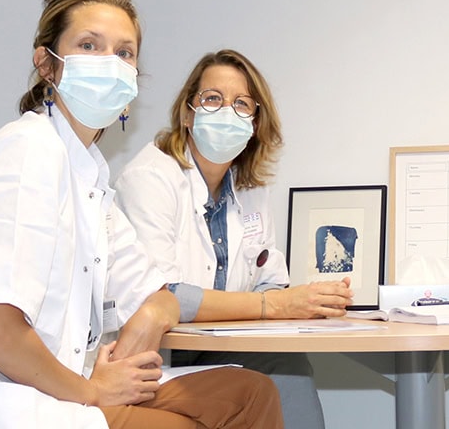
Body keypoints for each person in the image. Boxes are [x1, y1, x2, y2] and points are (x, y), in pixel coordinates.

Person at [0, 0, 284, 429]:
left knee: (250, 395)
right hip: (7, 401)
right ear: (47, 65)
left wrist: (153, 310)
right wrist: (92, 392)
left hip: (69, 383)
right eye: (89, 46)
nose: (109, 63)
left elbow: (157, 294)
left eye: (124, 53)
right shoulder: (24, 152)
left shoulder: (90, 175)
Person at [114, 49, 353, 429]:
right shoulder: (151, 177)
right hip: (159, 355)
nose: (227, 113)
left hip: (223, 348)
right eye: (213, 99)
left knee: (287, 366)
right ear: (188, 114)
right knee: (279, 373)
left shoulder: (250, 189)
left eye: (242, 104)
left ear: (255, 123)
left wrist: (292, 300)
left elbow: (270, 280)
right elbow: (164, 295)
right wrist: (275, 305)